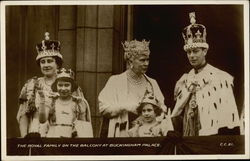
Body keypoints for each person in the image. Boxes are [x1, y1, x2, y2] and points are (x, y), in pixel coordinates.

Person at [171, 12, 240, 136]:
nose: (192, 56)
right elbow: (177, 114)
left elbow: (227, 116)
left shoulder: (220, 78)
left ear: (205, 51)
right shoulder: (185, 80)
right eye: (189, 52)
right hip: (188, 133)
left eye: (196, 51)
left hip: (210, 136)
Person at [16, 32, 92, 137]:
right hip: (36, 132)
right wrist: (25, 138)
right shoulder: (31, 85)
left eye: (49, 61)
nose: (46, 65)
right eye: (43, 62)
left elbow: (80, 115)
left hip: (64, 132)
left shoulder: (69, 85)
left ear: (57, 63)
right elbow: (23, 115)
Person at [98, 39, 171, 137]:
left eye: (147, 60)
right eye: (142, 60)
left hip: (149, 135)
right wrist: (125, 107)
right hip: (123, 133)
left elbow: (162, 108)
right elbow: (103, 108)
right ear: (131, 61)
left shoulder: (152, 83)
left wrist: (160, 113)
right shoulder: (115, 81)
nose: (146, 63)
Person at [38, 68, 93, 138]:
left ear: (72, 86)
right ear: (56, 86)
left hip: (72, 139)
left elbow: (84, 127)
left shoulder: (79, 102)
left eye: (67, 85)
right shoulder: (51, 101)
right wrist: (42, 100)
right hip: (53, 138)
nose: (63, 89)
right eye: (60, 85)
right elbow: (42, 120)